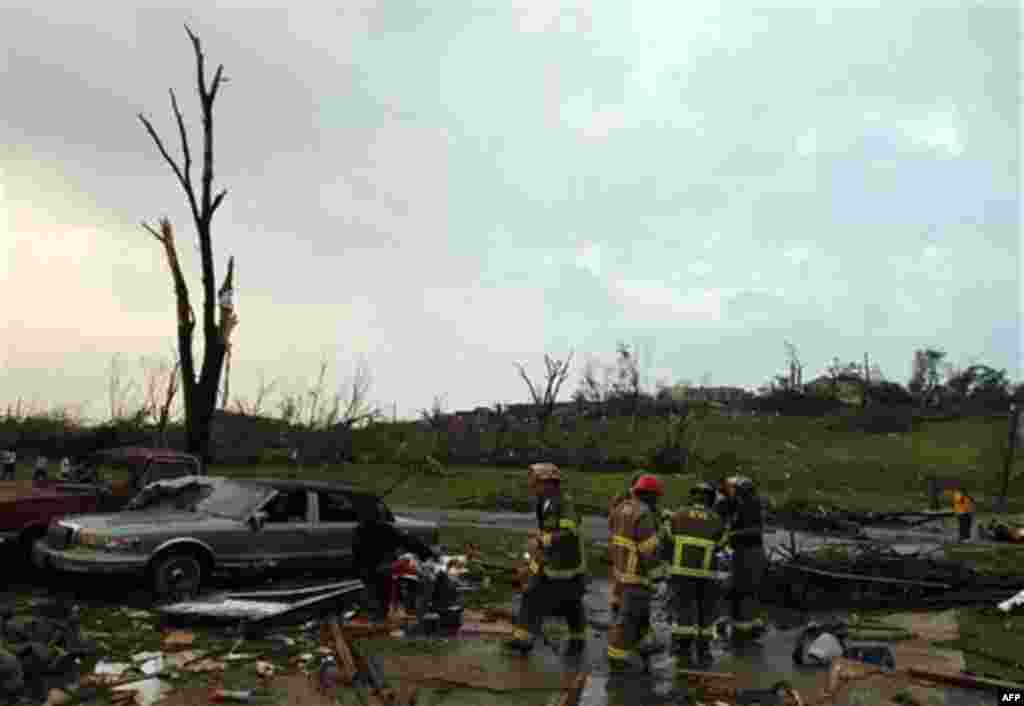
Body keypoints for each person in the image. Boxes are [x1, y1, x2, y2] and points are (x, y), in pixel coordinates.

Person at [504, 463, 588, 657]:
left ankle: (523, 639)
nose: (532, 487)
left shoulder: (563, 503)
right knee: (570, 601)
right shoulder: (546, 502)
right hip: (556, 562)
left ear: (549, 483)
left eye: (536, 483)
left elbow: (568, 533)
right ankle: (577, 639)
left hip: (564, 563)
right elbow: (548, 534)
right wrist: (532, 560)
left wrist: (541, 540)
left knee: (533, 596)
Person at [662, 481, 726, 667]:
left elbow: (668, 538)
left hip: (681, 572)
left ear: (693, 497)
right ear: (709, 499)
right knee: (706, 611)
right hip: (707, 574)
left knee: (684, 610)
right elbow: (722, 544)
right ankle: (704, 649)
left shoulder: (678, 515)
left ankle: (683, 650)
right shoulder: (717, 519)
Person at [607, 473, 665, 672]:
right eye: (656, 497)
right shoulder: (644, 513)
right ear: (650, 495)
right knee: (628, 620)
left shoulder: (621, 508)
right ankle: (617, 658)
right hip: (636, 576)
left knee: (639, 615)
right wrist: (659, 575)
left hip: (621, 572)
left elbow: (614, 533)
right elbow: (649, 548)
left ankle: (645, 645)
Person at [352, 504, 438, 624]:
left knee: (378, 596)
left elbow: (408, 541)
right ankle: (382, 616)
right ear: (377, 516)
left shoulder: (361, 529)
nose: (382, 517)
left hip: (369, 570)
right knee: (384, 593)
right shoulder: (383, 529)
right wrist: (428, 554)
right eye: (380, 514)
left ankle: (379, 614)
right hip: (378, 569)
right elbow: (408, 541)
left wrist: (426, 553)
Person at [723, 476, 766, 641]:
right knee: (742, 591)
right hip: (743, 552)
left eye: (735, 490)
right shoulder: (742, 506)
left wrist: (732, 534)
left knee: (745, 590)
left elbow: (756, 530)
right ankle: (745, 627)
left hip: (749, 552)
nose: (732, 493)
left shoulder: (751, 506)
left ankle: (745, 631)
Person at [608, 471, 647, 618]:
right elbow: (612, 520)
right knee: (624, 578)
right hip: (625, 544)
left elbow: (611, 520)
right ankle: (621, 609)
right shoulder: (623, 498)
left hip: (618, 543)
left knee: (619, 576)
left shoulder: (622, 497)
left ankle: (617, 607)